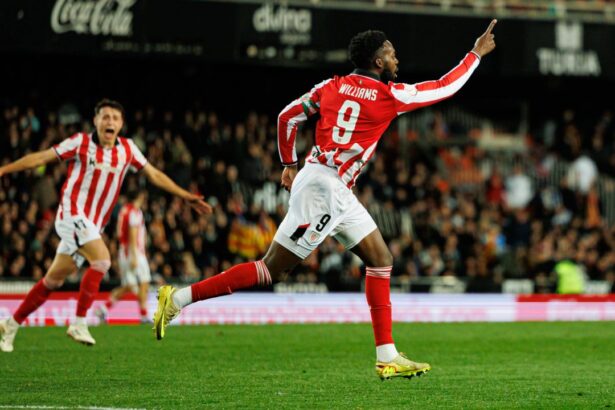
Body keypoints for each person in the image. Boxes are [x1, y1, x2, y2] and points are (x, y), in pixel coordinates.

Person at [154, 20, 497, 380]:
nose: (397, 59)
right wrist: (475, 54)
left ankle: (387, 355)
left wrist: (289, 165)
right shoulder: (390, 95)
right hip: (324, 191)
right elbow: (445, 86)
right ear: (378, 61)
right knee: (272, 270)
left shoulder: (330, 86)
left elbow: (287, 117)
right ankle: (177, 299)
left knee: (381, 259)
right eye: (391, 53)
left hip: (328, 184)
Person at [0, 99, 211, 352]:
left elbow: (154, 174)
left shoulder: (128, 149)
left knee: (52, 281)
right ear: (96, 121)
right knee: (102, 260)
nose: (110, 121)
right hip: (71, 214)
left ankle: (10, 324)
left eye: (115, 118)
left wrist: (185, 196)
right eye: (105, 116)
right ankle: (79, 323)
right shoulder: (80, 143)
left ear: (121, 124)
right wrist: (4, 170)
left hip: (92, 226)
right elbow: (41, 157)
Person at [95, 190, 151, 324]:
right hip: (134, 252)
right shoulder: (135, 212)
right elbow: (132, 233)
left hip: (123, 252)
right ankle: (144, 316)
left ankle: (103, 309)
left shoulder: (124, 210)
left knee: (128, 286)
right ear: (140, 196)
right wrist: (134, 255)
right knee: (144, 282)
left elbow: (119, 233)